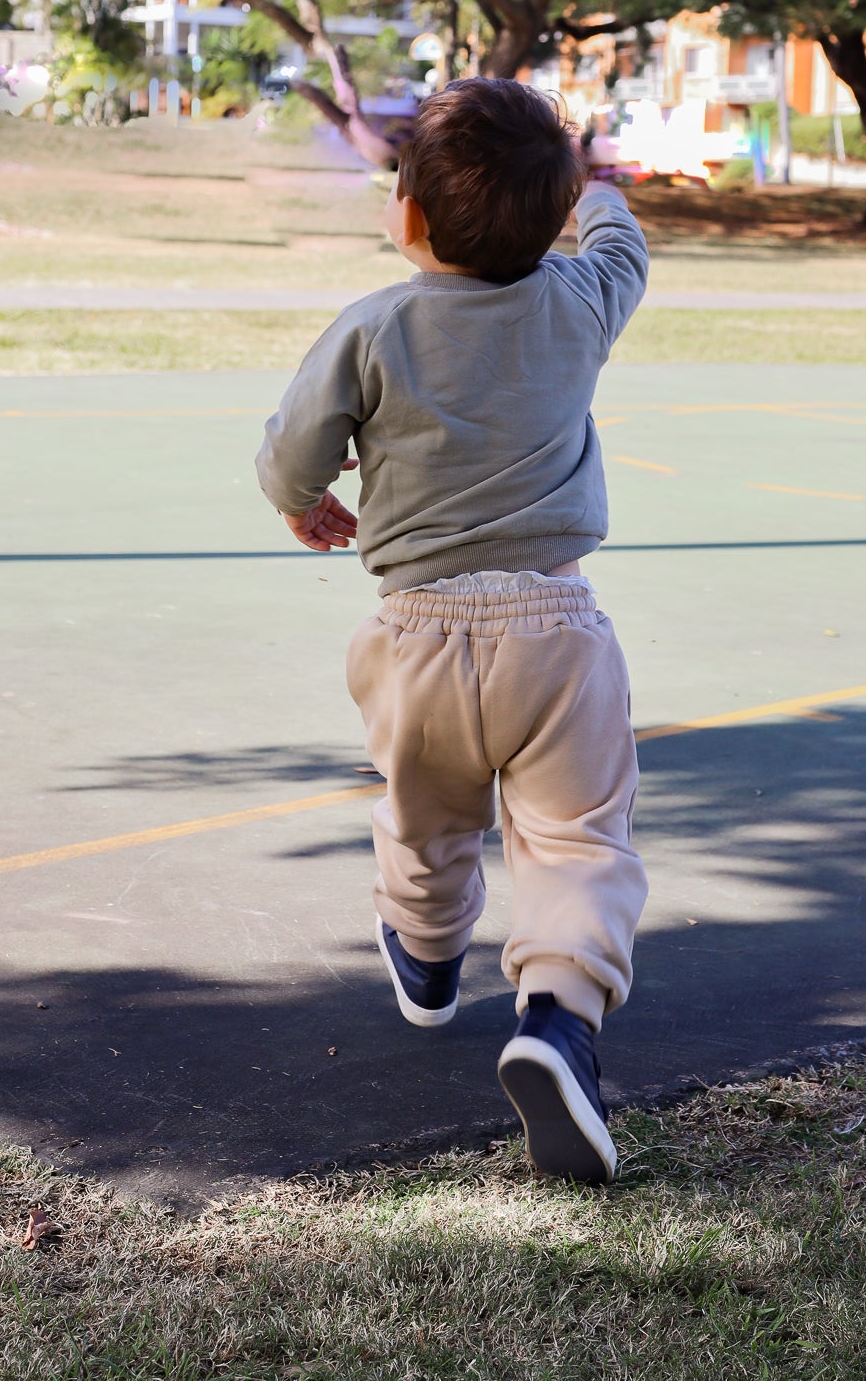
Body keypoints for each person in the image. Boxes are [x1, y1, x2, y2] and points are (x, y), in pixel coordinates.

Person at [255, 78, 650, 1182]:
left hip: (415, 635)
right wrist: (598, 194)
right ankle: (559, 1018)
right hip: (555, 631)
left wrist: (301, 503)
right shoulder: (581, 299)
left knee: (423, 818)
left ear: (412, 215)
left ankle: (428, 963)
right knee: (575, 837)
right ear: (554, 210)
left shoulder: (373, 325)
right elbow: (624, 251)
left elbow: (294, 447)